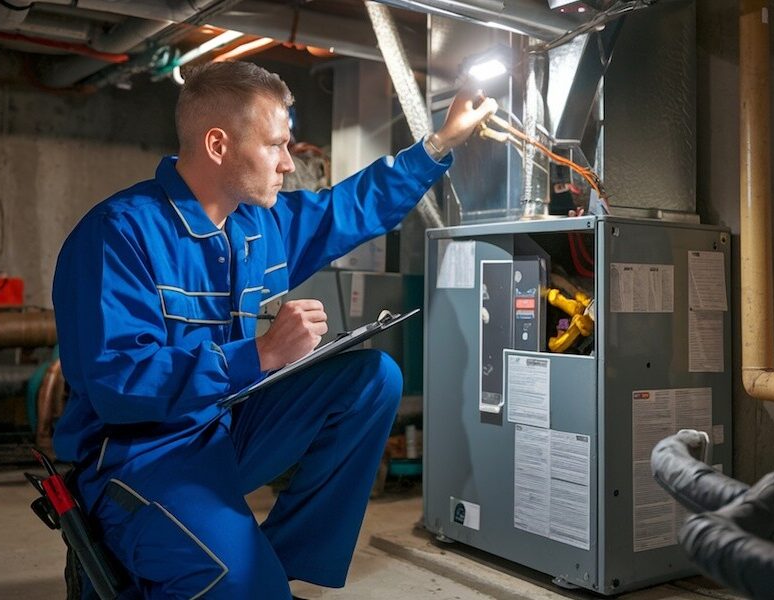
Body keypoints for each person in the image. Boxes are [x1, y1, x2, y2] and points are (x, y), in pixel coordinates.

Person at [52, 60, 497, 599]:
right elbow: (118, 383)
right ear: (218, 145)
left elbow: (351, 208)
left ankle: (273, 563)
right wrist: (260, 354)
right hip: (139, 455)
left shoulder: (259, 224)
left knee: (372, 378)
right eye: (275, 146)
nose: (288, 163)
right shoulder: (119, 233)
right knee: (235, 580)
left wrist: (440, 142)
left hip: (224, 427)